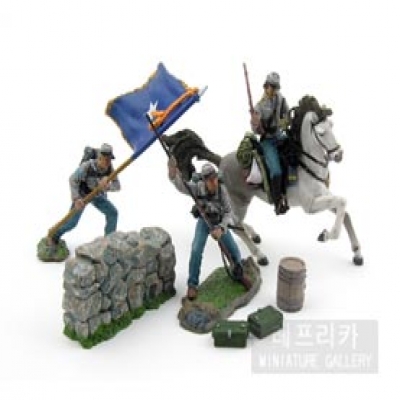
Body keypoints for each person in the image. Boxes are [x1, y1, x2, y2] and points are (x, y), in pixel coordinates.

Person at [168, 159, 245, 300]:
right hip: (204, 222)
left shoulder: (222, 191)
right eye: (210, 180)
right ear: (204, 181)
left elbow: (229, 213)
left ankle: (237, 271)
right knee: (196, 250)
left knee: (234, 251)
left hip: (219, 222)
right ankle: (192, 284)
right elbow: (182, 186)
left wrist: (221, 229)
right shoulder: (197, 188)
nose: (213, 182)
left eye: (214, 178)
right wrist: (173, 172)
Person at [47, 143, 121, 247]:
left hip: (97, 195)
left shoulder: (109, 168)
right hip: (83, 196)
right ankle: (54, 236)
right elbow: (73, 180)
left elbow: (117, 186)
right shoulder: (87, 166)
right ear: (100, 158)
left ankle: (109, 241)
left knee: (113, 213)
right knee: (71, 223)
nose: (108, 162)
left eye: (110, 159)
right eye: (106, 159)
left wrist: (107, 186)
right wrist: (76, 198)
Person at [251, 71, 290, 215]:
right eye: (271, 87)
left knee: (294, 151)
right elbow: (255, 129)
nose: (273, 90)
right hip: (267, 140)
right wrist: (256, 124)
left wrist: (285, 122)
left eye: (275, 87)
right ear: (266, 86)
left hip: (279, 135)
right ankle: (277, 202)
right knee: (276, 171)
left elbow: (287, 114)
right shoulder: (259, 106)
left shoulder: (280, 98)